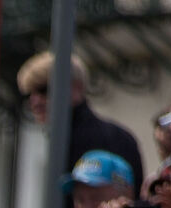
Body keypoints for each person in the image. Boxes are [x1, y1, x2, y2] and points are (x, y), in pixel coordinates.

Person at [19, 50, 145, 190]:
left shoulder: (109, 138)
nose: (35, 101)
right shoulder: (65, 137)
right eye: (30, 94)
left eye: (44, 90)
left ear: (76, 87)